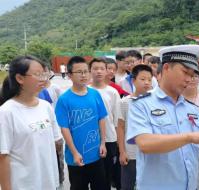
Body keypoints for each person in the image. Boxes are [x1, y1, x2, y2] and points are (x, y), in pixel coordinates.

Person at [126, 44, 199, 190]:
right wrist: (189, 137)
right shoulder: (141, 105)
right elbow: (145, 143)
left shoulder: (192, 108)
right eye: (185, 72)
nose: (189, 79)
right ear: (166, 68)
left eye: (192, 75)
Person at [0, 55, 62, 190]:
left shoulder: (46, 106)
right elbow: (3, 156)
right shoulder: (6, 112)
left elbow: (56, 141)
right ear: (19, 78)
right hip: (22, 184)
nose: (43, 79)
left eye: (44, 74)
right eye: (37, 74)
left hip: (48, 182)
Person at [55, 56, 108, 190]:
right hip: (76, 158)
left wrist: (103, 143)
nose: (84, 75)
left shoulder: (95, 94)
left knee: (101, 186)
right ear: (69, 75)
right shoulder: (64, 99)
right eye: (79, 72)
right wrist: (74, 152)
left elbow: (101, 119)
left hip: (96, 154)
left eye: (86, 71)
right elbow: (64, 128)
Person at [117, 64, 153, 190]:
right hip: (131, 153)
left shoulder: (155, 102)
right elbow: (120, 128)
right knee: (128, 185)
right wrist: (122, 152)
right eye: (142, 79)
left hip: (151, 153)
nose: (146, 83)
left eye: (149, 79)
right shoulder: (125, 102)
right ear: (133, 80)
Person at [89, 57, 121, 190]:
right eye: (95, 69)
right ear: (90, 71)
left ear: (107, 71)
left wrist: (119, 142)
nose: (99, 71)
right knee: (92, 175)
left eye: (102, 68)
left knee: (107, 174)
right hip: (90, 139)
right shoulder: (85, 91)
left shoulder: (112, 92)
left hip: (109, 138)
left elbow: (117, 118)